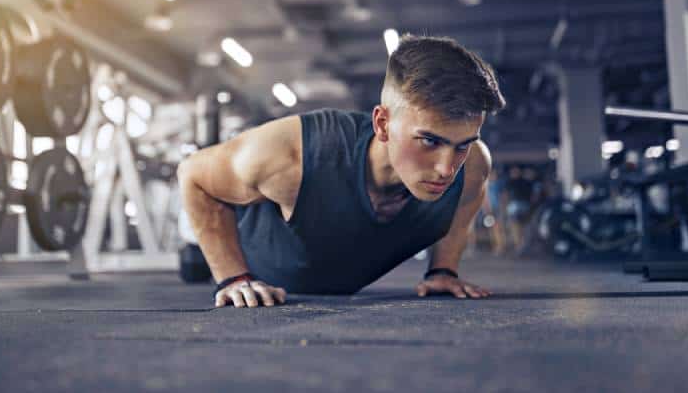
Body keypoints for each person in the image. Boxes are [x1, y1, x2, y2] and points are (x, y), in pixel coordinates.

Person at [178, 35, 506, 308]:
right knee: (193, 262)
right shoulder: (293, 154)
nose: (446, 168)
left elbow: (459, 213)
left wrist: (442, 270)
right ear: (382, 123)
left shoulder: (473, 166)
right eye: (429, 141)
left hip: (326, 266)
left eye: (462, 144)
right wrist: (234, 277)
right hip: (248, 249)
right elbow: (192, 173)